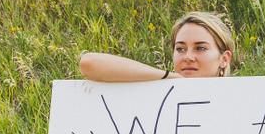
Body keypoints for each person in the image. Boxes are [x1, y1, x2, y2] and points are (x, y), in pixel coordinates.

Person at [79, 11, 235, 81]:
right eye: (180, 48)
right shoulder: (157, 93)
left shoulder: (243, 102)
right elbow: (89, 63)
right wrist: (168, 76)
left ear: (224, 59)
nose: (187, 57)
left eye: (200, 48)